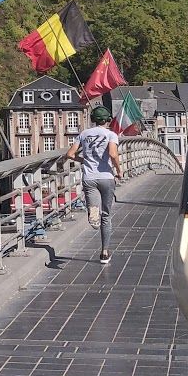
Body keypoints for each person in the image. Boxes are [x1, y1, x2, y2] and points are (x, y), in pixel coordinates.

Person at [68, 105, 124, 264]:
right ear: (107, 120)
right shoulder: (111, 135)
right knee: (106, 215)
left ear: (93, 120)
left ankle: (93, 214)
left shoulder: (84, 134)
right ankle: (105, 253)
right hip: (106, 177)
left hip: (89, 177)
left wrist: (83, 160)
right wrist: (119, 170)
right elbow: (113, 154)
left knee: (94, 209)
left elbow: (70, 154)